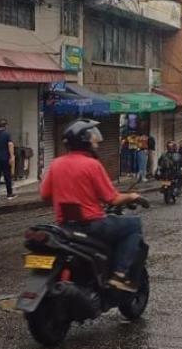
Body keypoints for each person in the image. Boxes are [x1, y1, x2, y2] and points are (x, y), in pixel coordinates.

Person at [40, 119, 143, 292]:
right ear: (85, 141)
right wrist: (132, 196)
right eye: (93, 139)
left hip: (64, 226)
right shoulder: (92, 165)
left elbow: (44, 195)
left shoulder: (56, 164)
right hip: (92, 225)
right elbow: (112, 199)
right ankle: (119, 274)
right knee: (134, 224)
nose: (96, 143)